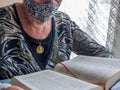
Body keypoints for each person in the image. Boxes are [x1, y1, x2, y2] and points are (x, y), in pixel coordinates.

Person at [0, 0, 112, 89]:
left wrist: (99, 79)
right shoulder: (2, 21)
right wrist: (6, 87)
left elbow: (104, 55)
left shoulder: (63, 22)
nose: (51, 2)